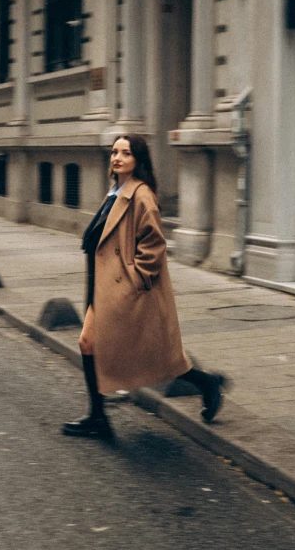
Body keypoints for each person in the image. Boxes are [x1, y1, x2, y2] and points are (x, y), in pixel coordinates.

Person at [62, 134, 228, 440]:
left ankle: (206, 384)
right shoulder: (115, 191)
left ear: (138, 160)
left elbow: (154, 244)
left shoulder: (141, 195)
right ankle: (98, 416)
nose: (117, 158)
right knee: (99, 345)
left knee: (155, 357)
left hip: (122, 289)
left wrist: (134, 280)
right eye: (114, 152)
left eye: (125, 153)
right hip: (101, 285)